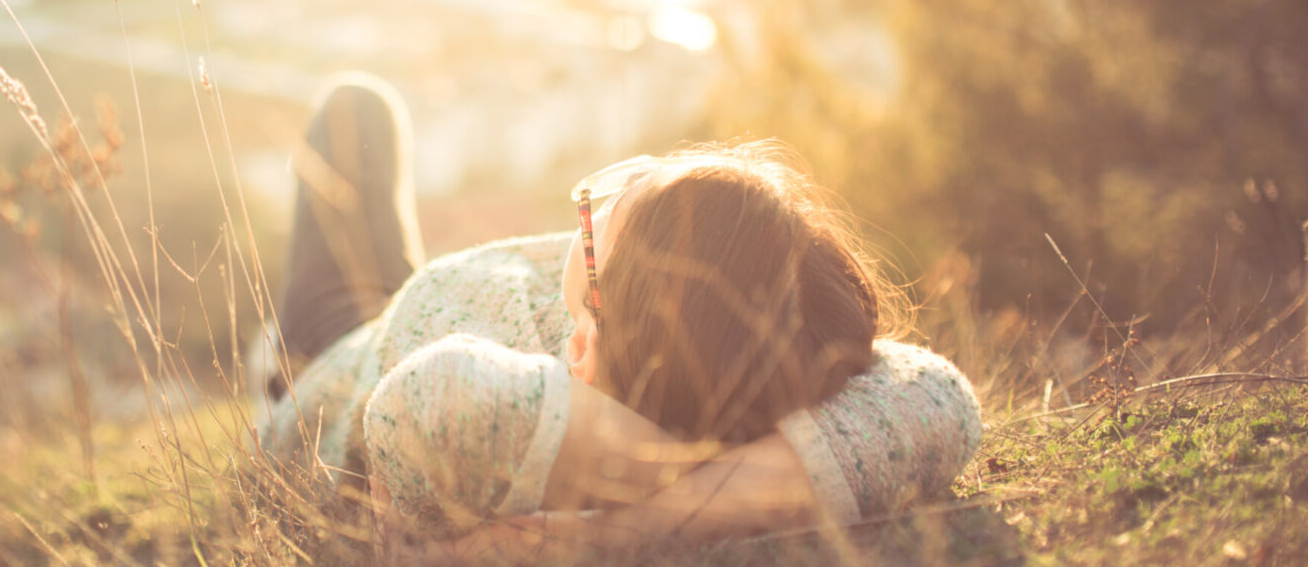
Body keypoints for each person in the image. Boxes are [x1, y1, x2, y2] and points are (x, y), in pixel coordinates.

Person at [252, 75, 982, 558]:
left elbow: (432, 395)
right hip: (392, 323)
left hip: (333, 359)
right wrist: (672, 501)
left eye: (606, 217)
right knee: (360, 111)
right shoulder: (727, 355)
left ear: (584, 345)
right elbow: (937, 399)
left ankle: (272, 373)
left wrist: (608, 533)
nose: (592, 208)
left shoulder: (478, 401)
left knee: (351, 111)